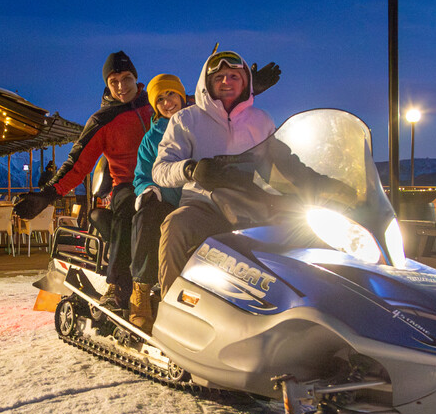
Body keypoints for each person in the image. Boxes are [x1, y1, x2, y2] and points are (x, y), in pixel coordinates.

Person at [14, 51, 153, 308]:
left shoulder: (156, 104)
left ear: (136, 78)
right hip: (128, 185)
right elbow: (77, 164)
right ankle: (118, 286)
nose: (121, 87)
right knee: (126, 207)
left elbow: (197, 111)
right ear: (107, 84)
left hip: (167, 180)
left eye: (126, 78)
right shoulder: (103, 120)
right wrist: (47, 194)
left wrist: (244, 90)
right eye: (114, 81)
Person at [151, 50, 276, 294]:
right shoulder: (186, 120)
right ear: (207, 83)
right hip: (203, 206)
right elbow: (160, 169)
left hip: (253, 208)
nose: (226, 82)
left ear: (245, 81)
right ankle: (171, 305)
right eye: (219, 77)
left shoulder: (261, 121)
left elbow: (283, 164)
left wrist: (322, 184)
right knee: (175, 225)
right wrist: (191, 170)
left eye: (234, 76)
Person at [127, 73, 188, 330]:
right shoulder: (151, 139)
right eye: (160, 99)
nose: (167, 102)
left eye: (171, 94)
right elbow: (141, 175)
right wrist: (150, 190)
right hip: (166, 200)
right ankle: (140, 291)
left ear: (182, 96)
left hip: (202, 198)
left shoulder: (198, 123)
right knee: (146, 217)